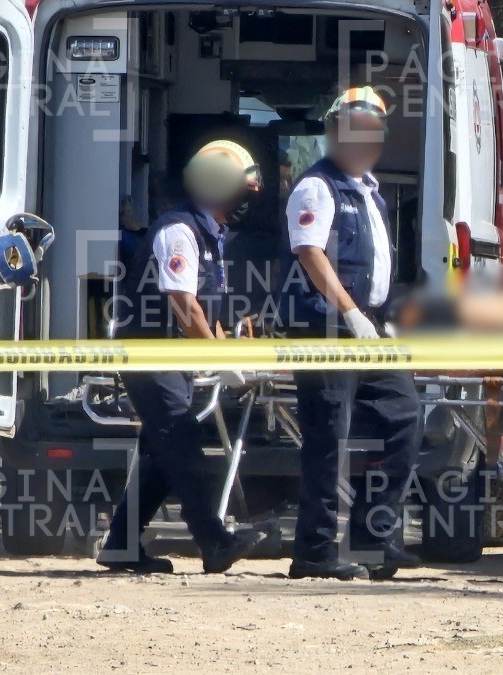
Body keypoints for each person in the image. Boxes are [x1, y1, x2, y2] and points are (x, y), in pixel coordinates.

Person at [99, 140, 267, 574]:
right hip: (151, 354)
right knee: (184, 446)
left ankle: (119, 545)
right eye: (243, 192)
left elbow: (203, 308)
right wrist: (218, 357)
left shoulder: (209, 233)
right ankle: (213, 542)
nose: (248, 201)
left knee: (161, 454)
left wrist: (223, 345)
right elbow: (184, 305)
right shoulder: (180, 230)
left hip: (171, 356)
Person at [277, 86, 422, 581]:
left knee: (403, 414)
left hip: (366, 323)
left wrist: (377, 317)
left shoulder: (368, 189)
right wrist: (351, 312)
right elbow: (310, 252)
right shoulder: (318, 187)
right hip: (325, 325)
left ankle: (372, 539)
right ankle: (314, 553)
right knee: (327, 438)